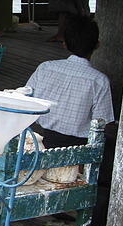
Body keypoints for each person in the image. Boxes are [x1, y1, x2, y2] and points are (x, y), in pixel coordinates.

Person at [27, 15, 114, 149]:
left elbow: (25, 100)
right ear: (97, 45)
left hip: (44, 142)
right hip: (79, 149)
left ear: (65, 44)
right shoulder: (99, 81)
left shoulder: (45, 68)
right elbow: (103, 124)